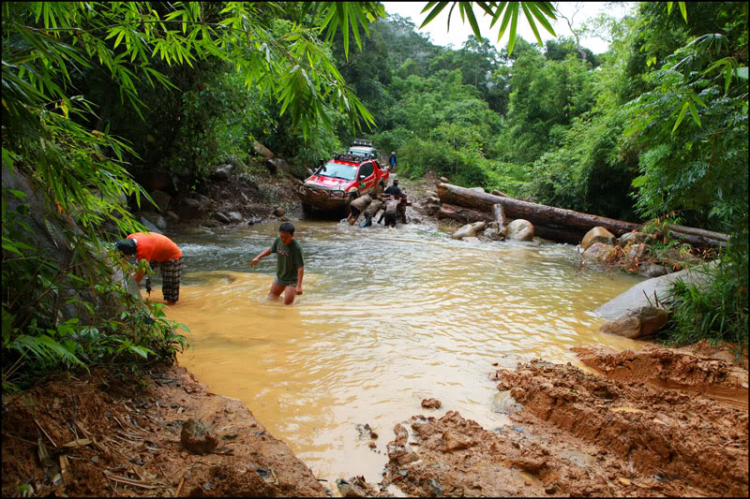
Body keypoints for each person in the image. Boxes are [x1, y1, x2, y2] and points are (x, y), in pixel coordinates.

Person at [115, 232, 183, 304]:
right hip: (155, 253)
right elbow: (125, 259)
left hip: (172, 256)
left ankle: (172, 305)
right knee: (134, 271)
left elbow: (140, 274)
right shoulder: (129, 238)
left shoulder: (143, 249)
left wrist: (131, 291)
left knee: (170, 287)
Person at [250, 222, 304, 305]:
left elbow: (300, 268)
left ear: (292, 235)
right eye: (282, 236)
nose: (283, 239)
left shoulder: (296, 248)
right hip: (280, 277)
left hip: (292, 280)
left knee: (287, 304)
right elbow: (271, 250)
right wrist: (258, 257)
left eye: (286, 237)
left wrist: (299, 286)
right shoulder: (278, 240)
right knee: (271, 299)